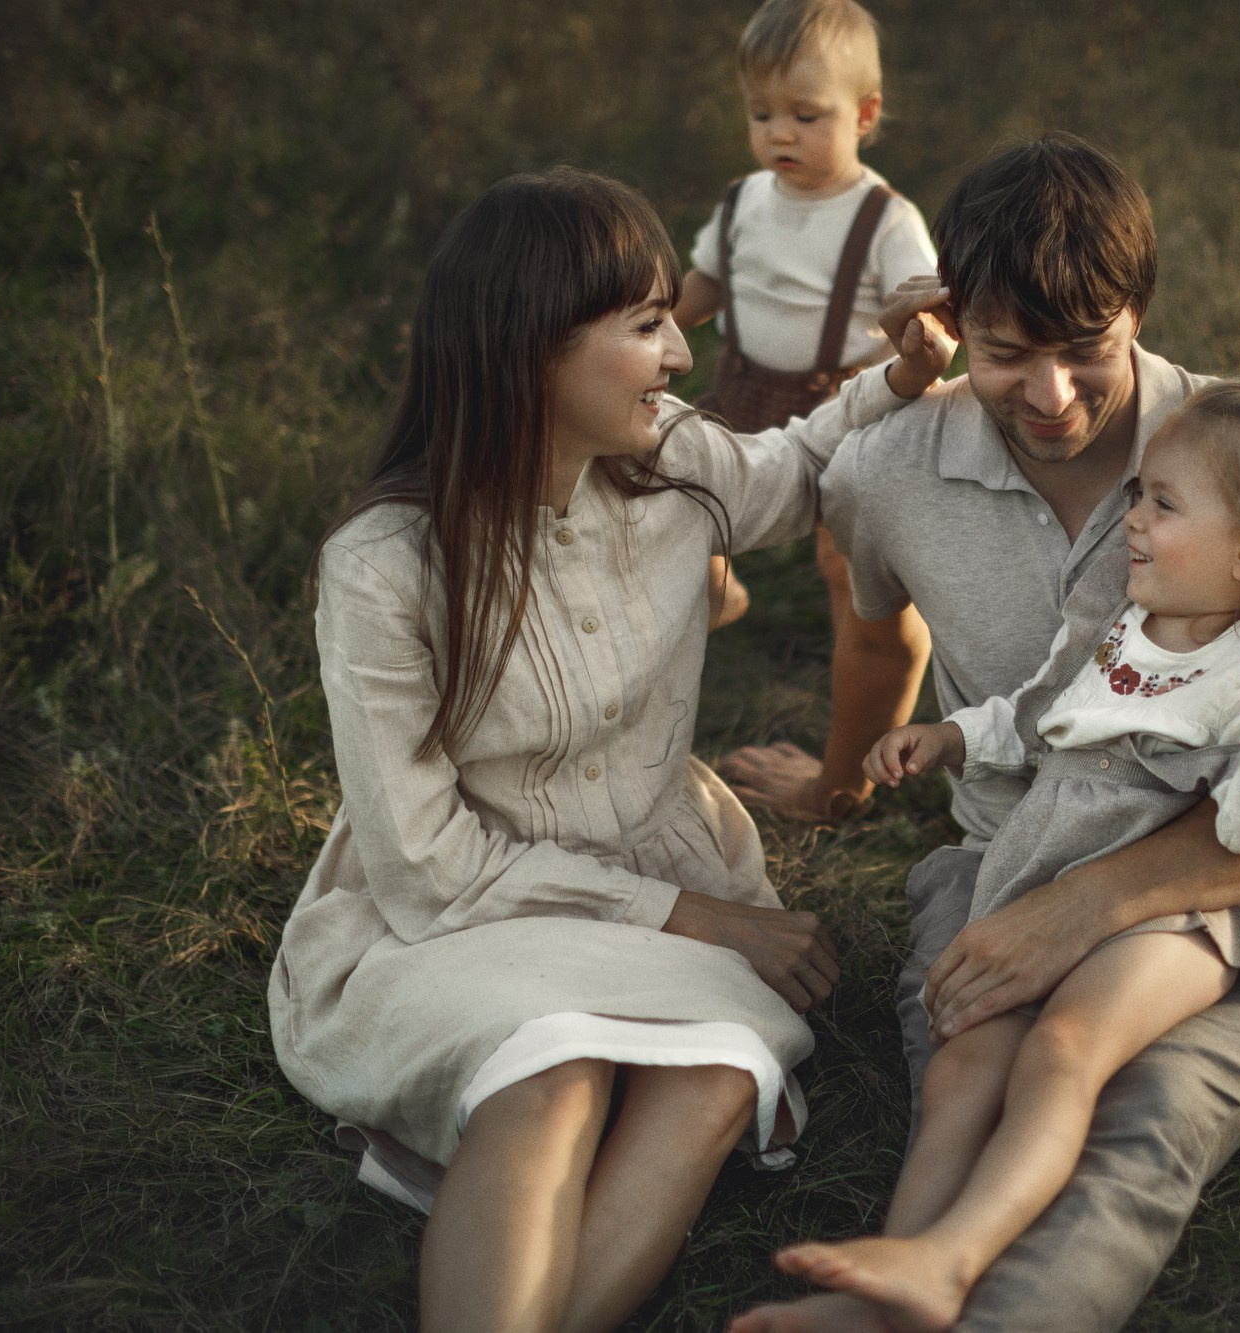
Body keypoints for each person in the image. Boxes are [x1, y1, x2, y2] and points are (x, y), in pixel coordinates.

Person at [265, 165, 951, 1333]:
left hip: (661, 858)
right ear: (529, 347)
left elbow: (784, 476)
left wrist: (901, 378)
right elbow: (428, 865)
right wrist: (708, 918)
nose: (680, 357)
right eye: (643, 328)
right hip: (463, 912)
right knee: (549, 1072)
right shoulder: (385, 566)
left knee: (710, 1075)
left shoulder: (672, 457)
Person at [733, 133, 1240, 1333]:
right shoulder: (886, 467)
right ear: (951, 320)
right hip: (1007, 850)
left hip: (1229, 868)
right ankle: (893, 1284)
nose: (1052, 397)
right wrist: (837, 787)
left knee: (1128, 1121)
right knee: (971, 1073)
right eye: (1003, 355)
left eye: (1087, 351)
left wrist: (1084, 910)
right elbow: (880, 645)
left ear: (1136, 309)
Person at [674, 0, 937, 821]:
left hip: (851, 417)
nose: (779, 134)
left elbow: (925, 324)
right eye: (761, 114)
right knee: (665, 489)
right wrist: (644, 323)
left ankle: (849, 775)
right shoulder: (743, 201)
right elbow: (706, 289)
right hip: (745, 393)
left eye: (805, 115)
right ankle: (720, 588)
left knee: (852, 577)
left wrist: (913, 352)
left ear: (864, 114)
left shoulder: (885, 219)